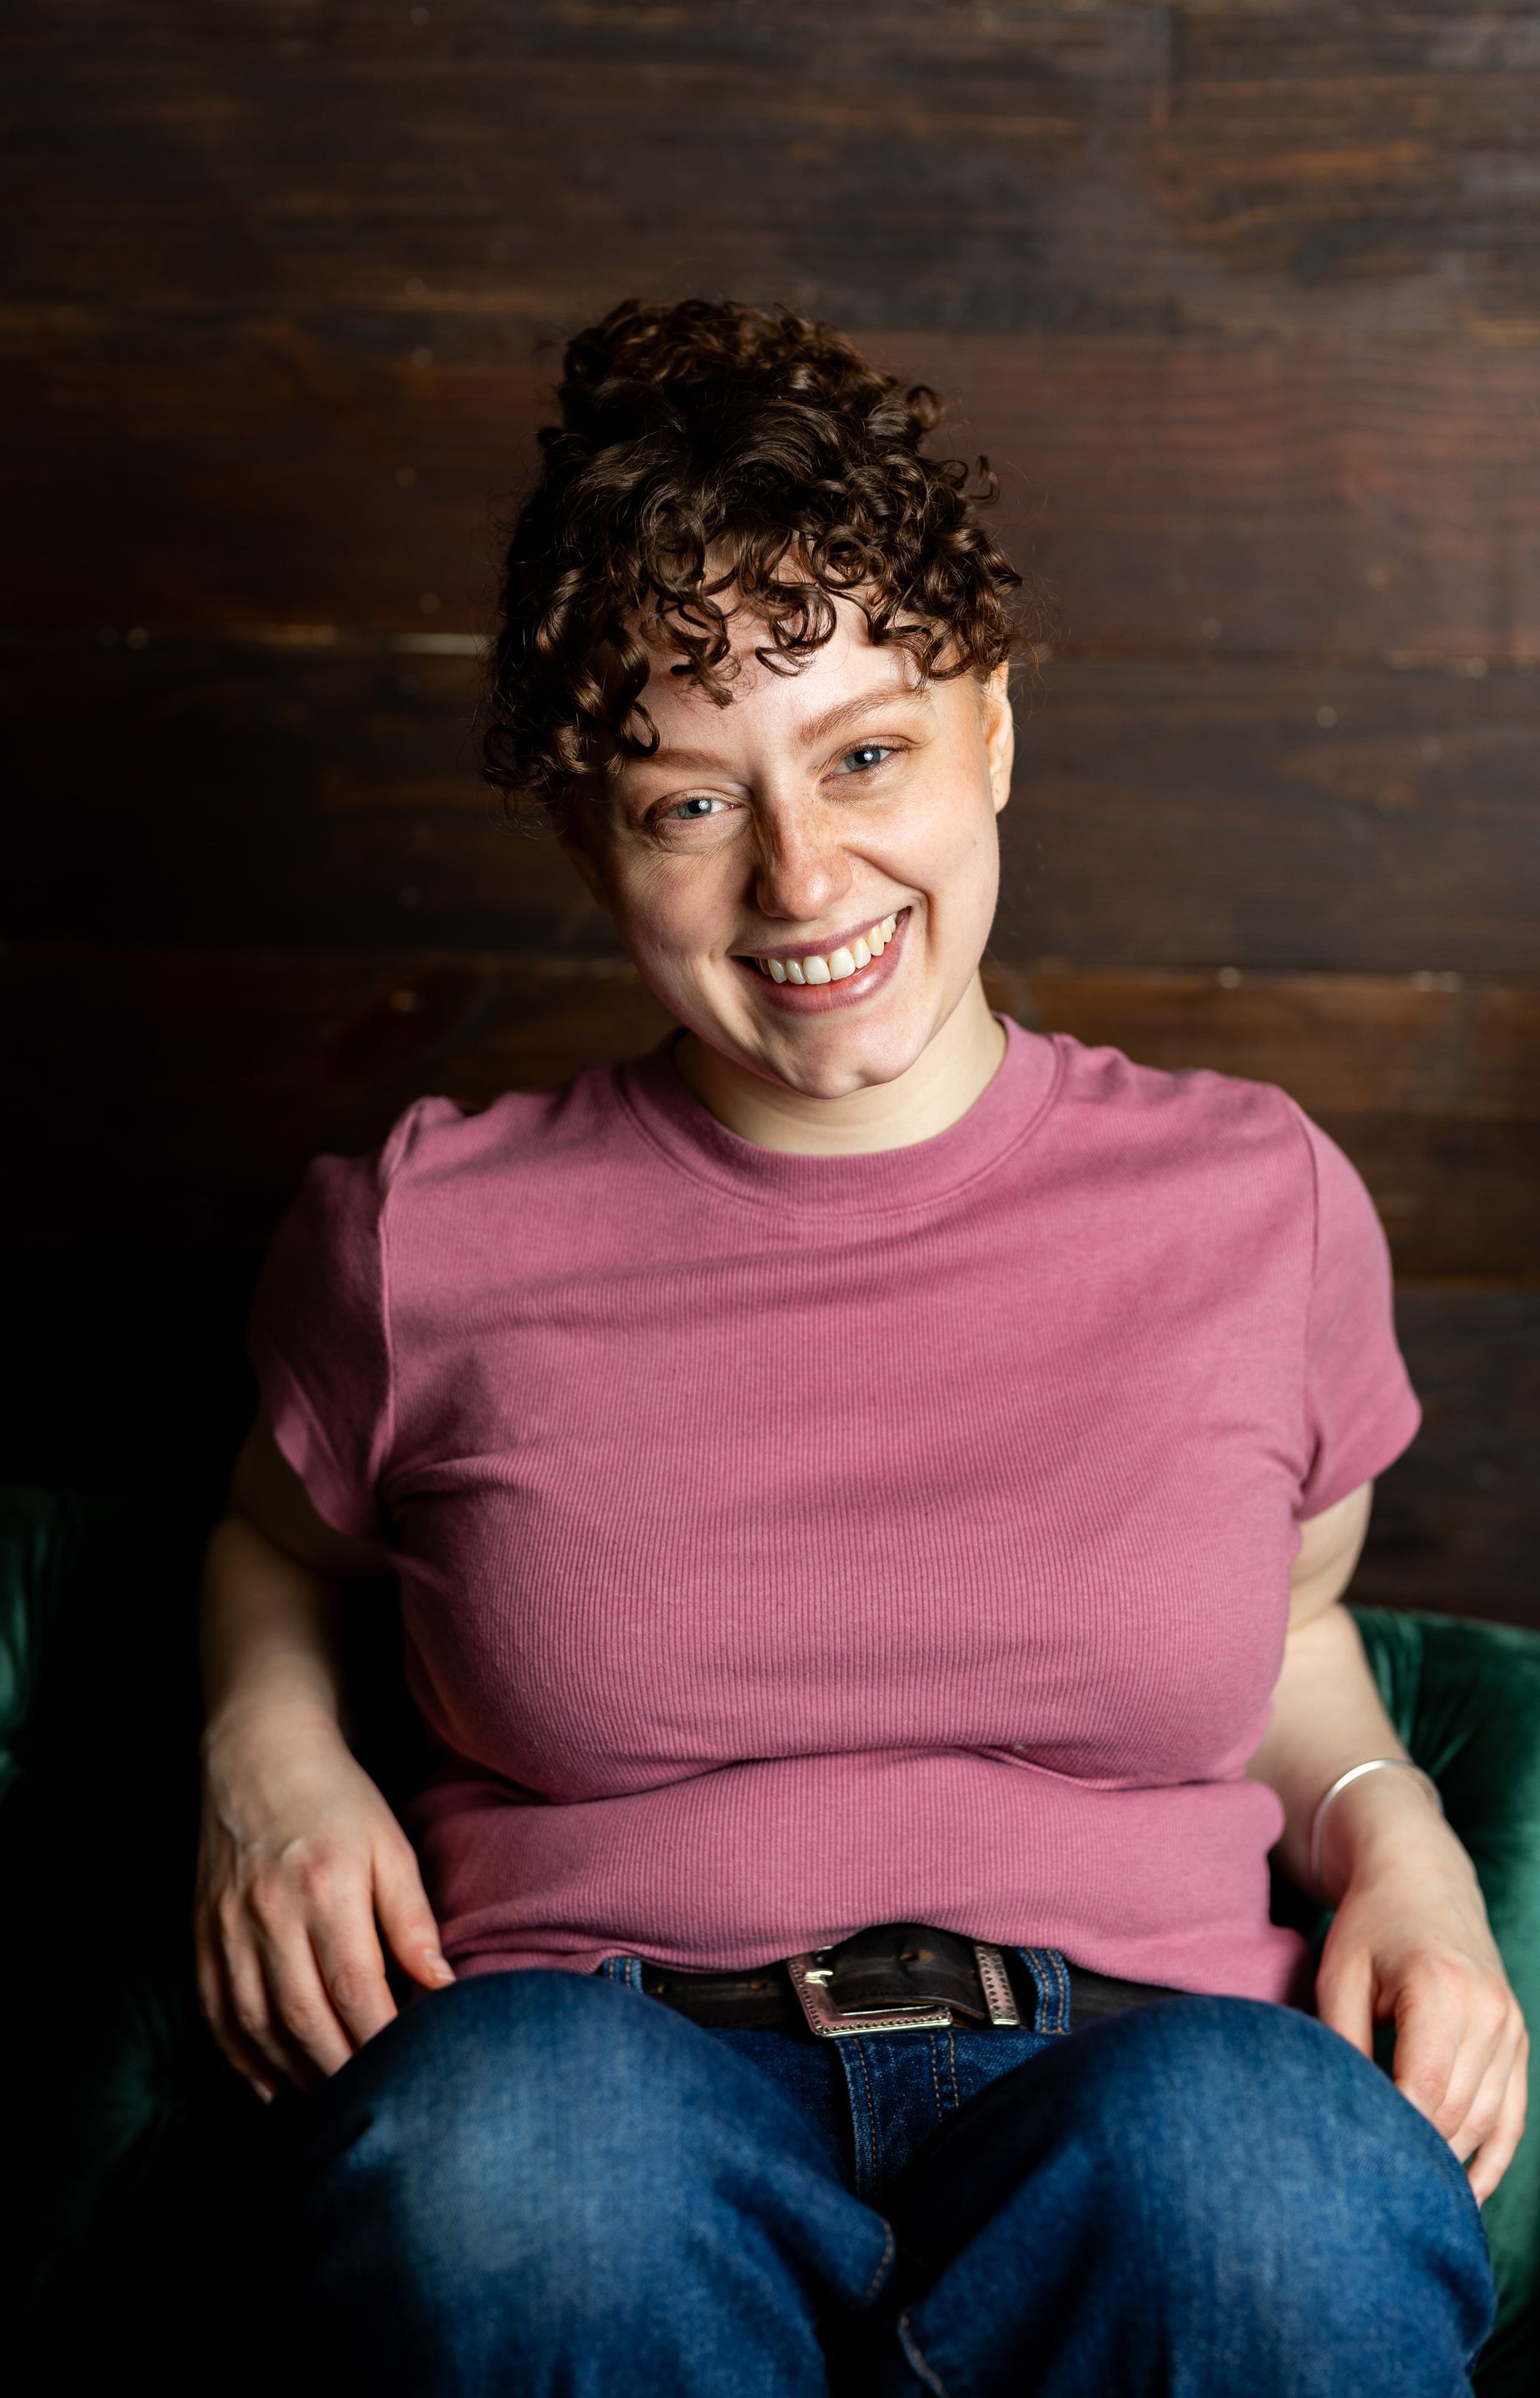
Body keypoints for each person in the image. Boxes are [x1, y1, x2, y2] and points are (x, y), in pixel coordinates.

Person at [195, 296, 1524, 2396]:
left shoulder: (1254, 1200)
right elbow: (279, 1542)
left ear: (990, 724)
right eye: (686, 805)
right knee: (513, 2174)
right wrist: (267, 1765)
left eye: (867, 754)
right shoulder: (424, 1230)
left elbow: (1282, 1627)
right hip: (606, 2063)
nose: (804, 876)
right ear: (591, 839)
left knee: (1267, 2194)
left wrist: (1405, 1840)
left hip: (1148, 2066)